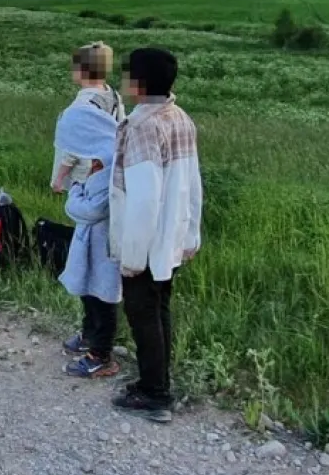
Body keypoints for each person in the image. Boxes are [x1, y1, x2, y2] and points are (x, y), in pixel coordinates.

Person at [109, 47, 203, 423]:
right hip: (172, 236)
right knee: (160, 307)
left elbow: (143, 198)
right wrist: (191, 235)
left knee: (142, 312)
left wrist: (132, 257)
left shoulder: (144, 127)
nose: (122, 79)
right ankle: (158, 380)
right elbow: (193, 182)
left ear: (138, 83)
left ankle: (154, 393)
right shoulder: (181, 118)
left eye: (126, 73)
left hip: (146, 242)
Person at [54, 100, 122, 378]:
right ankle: (88, 334)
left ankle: (101, 355)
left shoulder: (112, 161)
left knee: (103, 297)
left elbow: (93, 208)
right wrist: (79, 194)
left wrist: (74, 195)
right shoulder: (99, 158)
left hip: (106, 245)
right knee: (87, 292)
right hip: (89, 241)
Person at [52, 41, 125, 193]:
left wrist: (59, 177)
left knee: (83, 213)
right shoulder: (114, 95)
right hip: (107, 168)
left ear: (83, 71)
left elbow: (74, 144)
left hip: (85, 173)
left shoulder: (83, 104)